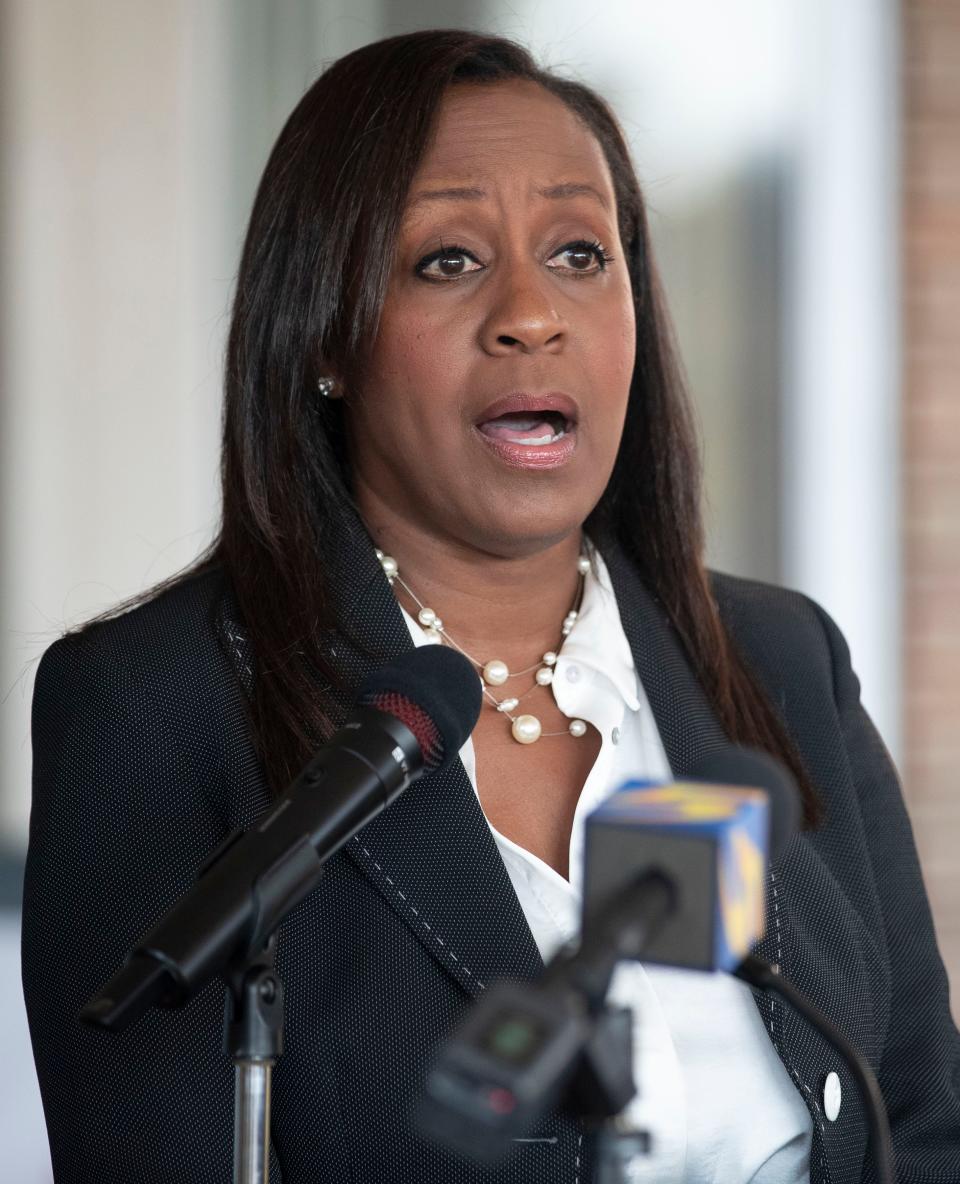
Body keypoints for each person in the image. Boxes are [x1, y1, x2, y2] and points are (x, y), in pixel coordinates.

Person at [21, 29, 960, 1184]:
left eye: (579, 252)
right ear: (323, 332)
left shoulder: (780, 659)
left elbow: (921, 1124)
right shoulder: (158, 706)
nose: (531, 313)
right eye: (447, 261)